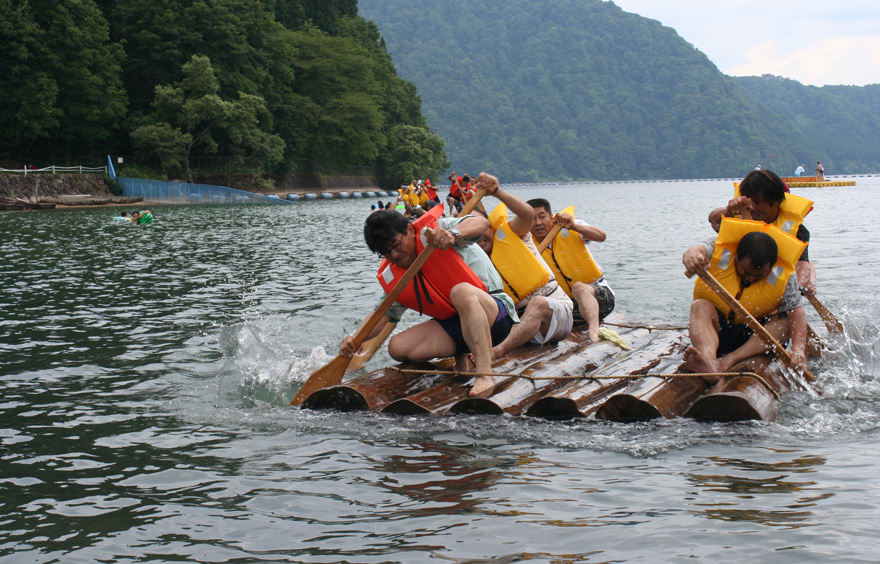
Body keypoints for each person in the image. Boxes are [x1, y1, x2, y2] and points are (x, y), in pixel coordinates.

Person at [338, 173, 519, 397]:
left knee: (460, 291)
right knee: (397, 347)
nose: (394, 255)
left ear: (410, 230)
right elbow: (380, 315)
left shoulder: (437, 230)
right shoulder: (396, 275)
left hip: (495, 316)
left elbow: (481, 223)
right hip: (457, 327)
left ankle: (484, 375)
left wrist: (453, 234)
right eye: (385, 253)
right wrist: (355, 339)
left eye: (395, 245)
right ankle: (462, 355)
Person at [681, 218, 808, 382]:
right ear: (736, 258)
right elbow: (695, 250)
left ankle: (730, 360)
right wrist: (693, 256)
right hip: (720, 330)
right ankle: (709, 361)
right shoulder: (722, 248)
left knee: (785, 322)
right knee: (699, 306)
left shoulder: (784, 275)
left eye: (759, 275)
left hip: (755, 338)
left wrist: (798, 350)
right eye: (746, 272)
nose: (750, 279)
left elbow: (796, 311)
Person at [470, 178, 574, 360]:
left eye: (479, 227)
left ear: (488, 225)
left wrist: (496, 192)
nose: (477, 236)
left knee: (538, 303)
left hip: (555, 316)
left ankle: (498, 351)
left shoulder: (513, 233)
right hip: (514, 323)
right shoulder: (471, 261)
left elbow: (528, 215)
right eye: (470, 232)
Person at [707, 169, 816, 295]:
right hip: (733, 285)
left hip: (769, 290)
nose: (752, 207)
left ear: (776, 201)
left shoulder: (798, 231)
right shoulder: (738, 217)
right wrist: (728, 211)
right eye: (749, 202)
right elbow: (713, 221)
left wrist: (797, 289)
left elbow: (802, 266)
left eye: (758, 202)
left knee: (809, 272)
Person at [527, 198, 615, 343]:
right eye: (532, 219)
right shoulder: (526, 244)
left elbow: (601, 236)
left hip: (600, 298)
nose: (537, 223)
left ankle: (594, 331)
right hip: (568, 307)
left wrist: (573, 226)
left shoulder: (573, 226)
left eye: (542, 217)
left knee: (579, 287)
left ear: (551, 217)